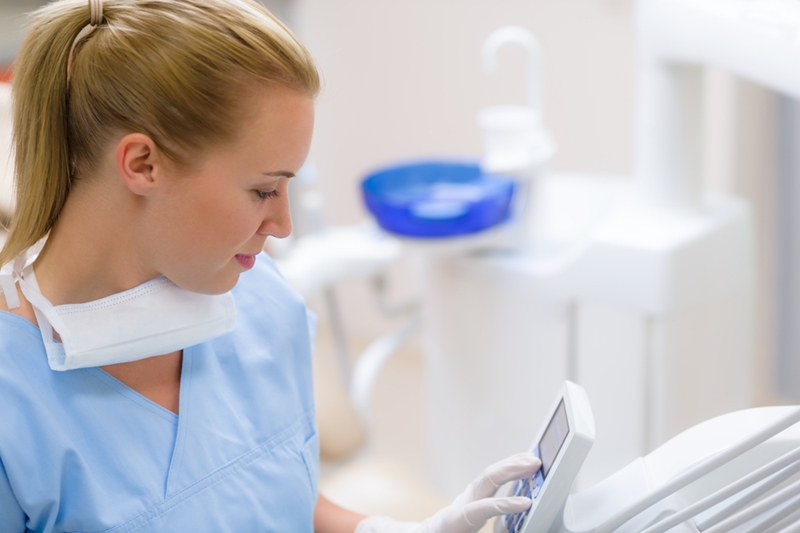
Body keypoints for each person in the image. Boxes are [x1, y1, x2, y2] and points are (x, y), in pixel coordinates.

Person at [0, 0, 539, 531]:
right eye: (263, 190)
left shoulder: (264, 302)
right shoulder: (15, 401)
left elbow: (280, 498)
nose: (282, 223)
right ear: (143, 164)